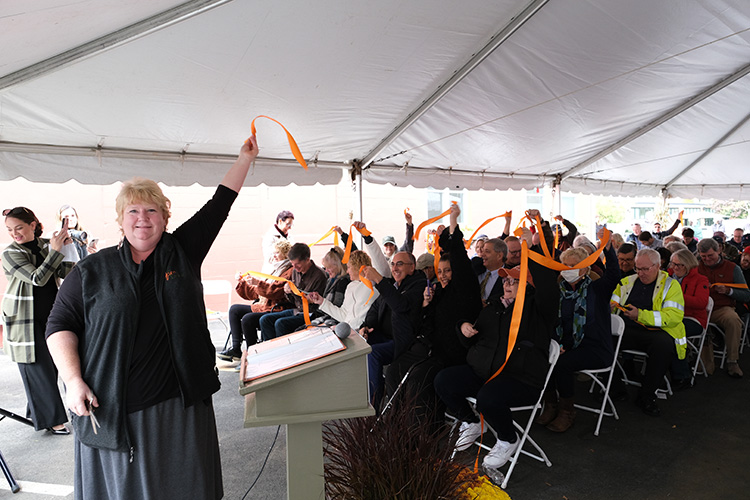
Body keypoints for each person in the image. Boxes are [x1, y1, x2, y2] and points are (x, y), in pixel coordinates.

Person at [45, 136, 260, 499]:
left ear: (164, 217)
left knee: (185, 487)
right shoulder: (92, 270)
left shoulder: (184, 251)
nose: (142, 219)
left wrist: (244, 159)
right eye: (133, 211)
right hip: (112, 404)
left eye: (151, 211)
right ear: (120, 219)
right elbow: (58, 325)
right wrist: (72, 380)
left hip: (179, 403)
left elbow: (219, 204)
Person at [434, 213, 559, 470]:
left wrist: (537, 239)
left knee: (487, 397)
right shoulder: (494, 306)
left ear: (528, 285)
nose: (508, 283)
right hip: (486, 371)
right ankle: (470, 422)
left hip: (521, 378)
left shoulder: (538, 309)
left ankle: (507, 438)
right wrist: (463, 328)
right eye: (505, 279)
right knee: (444, 380)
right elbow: (474, 339)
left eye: (514, 280)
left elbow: (547, 279)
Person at [383, 204, 482, 420]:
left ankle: (425, 434)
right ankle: (398, 421)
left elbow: (458, 255)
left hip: (455, 354)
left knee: (418, 379)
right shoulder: (439, 293)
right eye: (440, 271)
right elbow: (423, 325)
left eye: (448, 270)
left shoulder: (466, 288)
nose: (444, 275)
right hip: (433, 350)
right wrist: (426, 306)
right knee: (393, 371)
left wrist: (453, 220)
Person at [537, 231, 619, 432]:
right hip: (567, 346)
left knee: (562, 364)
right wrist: (557, 344)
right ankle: (550, 404)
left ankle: (567, 412)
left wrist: (607, 249)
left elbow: (614, 274)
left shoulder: (597, 288)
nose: (569, 270)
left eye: (573, 266)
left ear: (586, 267)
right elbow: (554, 322)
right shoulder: (560, 291)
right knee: (542, 357)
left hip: (595, 348)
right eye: (565, 266)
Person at [2, 206, 74, 435]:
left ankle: (37, 411)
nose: (14, 234)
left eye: (19, 228)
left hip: (52, 313)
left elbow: (64, 272)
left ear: (33, 225)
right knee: (37, 367)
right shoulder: (10, 253)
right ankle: (53, 420)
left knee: (53, 366)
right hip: (24, 318)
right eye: (10, 229)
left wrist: (68, 248)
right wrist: (55, 251)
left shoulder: (46, 245)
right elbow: (38, 278)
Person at [611, 248, 686, 416]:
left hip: (655, 332)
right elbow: (613, 302)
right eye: (638, 268)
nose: (641, 273)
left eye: (645, 269)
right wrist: (609, 307)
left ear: (658, 266)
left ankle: (646, 396)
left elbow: (673, 316)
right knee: (601, 340)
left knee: (663, 345)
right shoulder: (627, 282)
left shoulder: (671, 285)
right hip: (626, 329)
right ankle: (616, 388)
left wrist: (641, 315)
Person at [359, 222, 424, 407]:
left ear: (412, 268)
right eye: (393, 264)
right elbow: (374, 308)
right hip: (384, 336)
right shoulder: (393, 284)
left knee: (372, 354)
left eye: (400, 264)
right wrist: (366, 326)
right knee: (357, 343)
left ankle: (374, 406)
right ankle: (358, 395)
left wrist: (379, 280)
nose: (394, 268)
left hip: (402, 342)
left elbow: (401, 305)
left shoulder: (417, 285)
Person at [217, 239, 294, 362]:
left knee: (248, 319)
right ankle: (236, 348)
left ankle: (253, 355)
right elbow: (257, 293)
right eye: (273, 252)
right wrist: (243, 283)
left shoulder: (289, 271)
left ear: (285, 254)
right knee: (234, 309)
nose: (273, 255)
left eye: (277, 253)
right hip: (265, 305)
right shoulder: (275, 270)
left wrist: (257, 283)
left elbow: (274, 292)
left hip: (276, 308)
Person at [696, 238, 750, 378]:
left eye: (710, 256)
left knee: (733, 320)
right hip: (699, 308)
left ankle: (732, 361)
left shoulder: (733, 268)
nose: (707, 260)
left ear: (719, 250)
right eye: (703, 257)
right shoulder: (696, 266)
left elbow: (746, 295)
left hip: (721, 308)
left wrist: (728, 291)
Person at [258, 242, 327, 341]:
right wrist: (287, 292)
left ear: (307, 260)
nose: (295, 267)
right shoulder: (295, 271)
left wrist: (304, 297)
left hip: (311, 313)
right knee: (265, 320)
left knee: (281, 323)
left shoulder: (319, 275)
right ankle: (270, 350)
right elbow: (293, 300)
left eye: (297, 264)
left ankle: (283, 352)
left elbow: (317, 304)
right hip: (298, 310)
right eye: (292, 264)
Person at [668, 248, 709, 388]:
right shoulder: (667, 278)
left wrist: (677, 297)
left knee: (673, 333)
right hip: (671, 317)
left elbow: (701, 302)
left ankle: (682, 375)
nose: (675, 268)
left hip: (693, 319)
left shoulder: (700, 279)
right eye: (673, 264)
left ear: (689, 264)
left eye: (679, 265)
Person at [307, 250, 380, 329]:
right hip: (346, 331)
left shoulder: (374, 285)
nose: (347, 271)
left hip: (361, 333)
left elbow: (382, 268)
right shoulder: (350, 286)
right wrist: (321, 301)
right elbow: (343, 315)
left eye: (348, 267)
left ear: (357, 267)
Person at [476, 238, 508, 305]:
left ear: (499, 256)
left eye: (487, 251)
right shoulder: (476, 268)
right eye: (483, 251)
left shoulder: (509, 276)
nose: (482, 255)